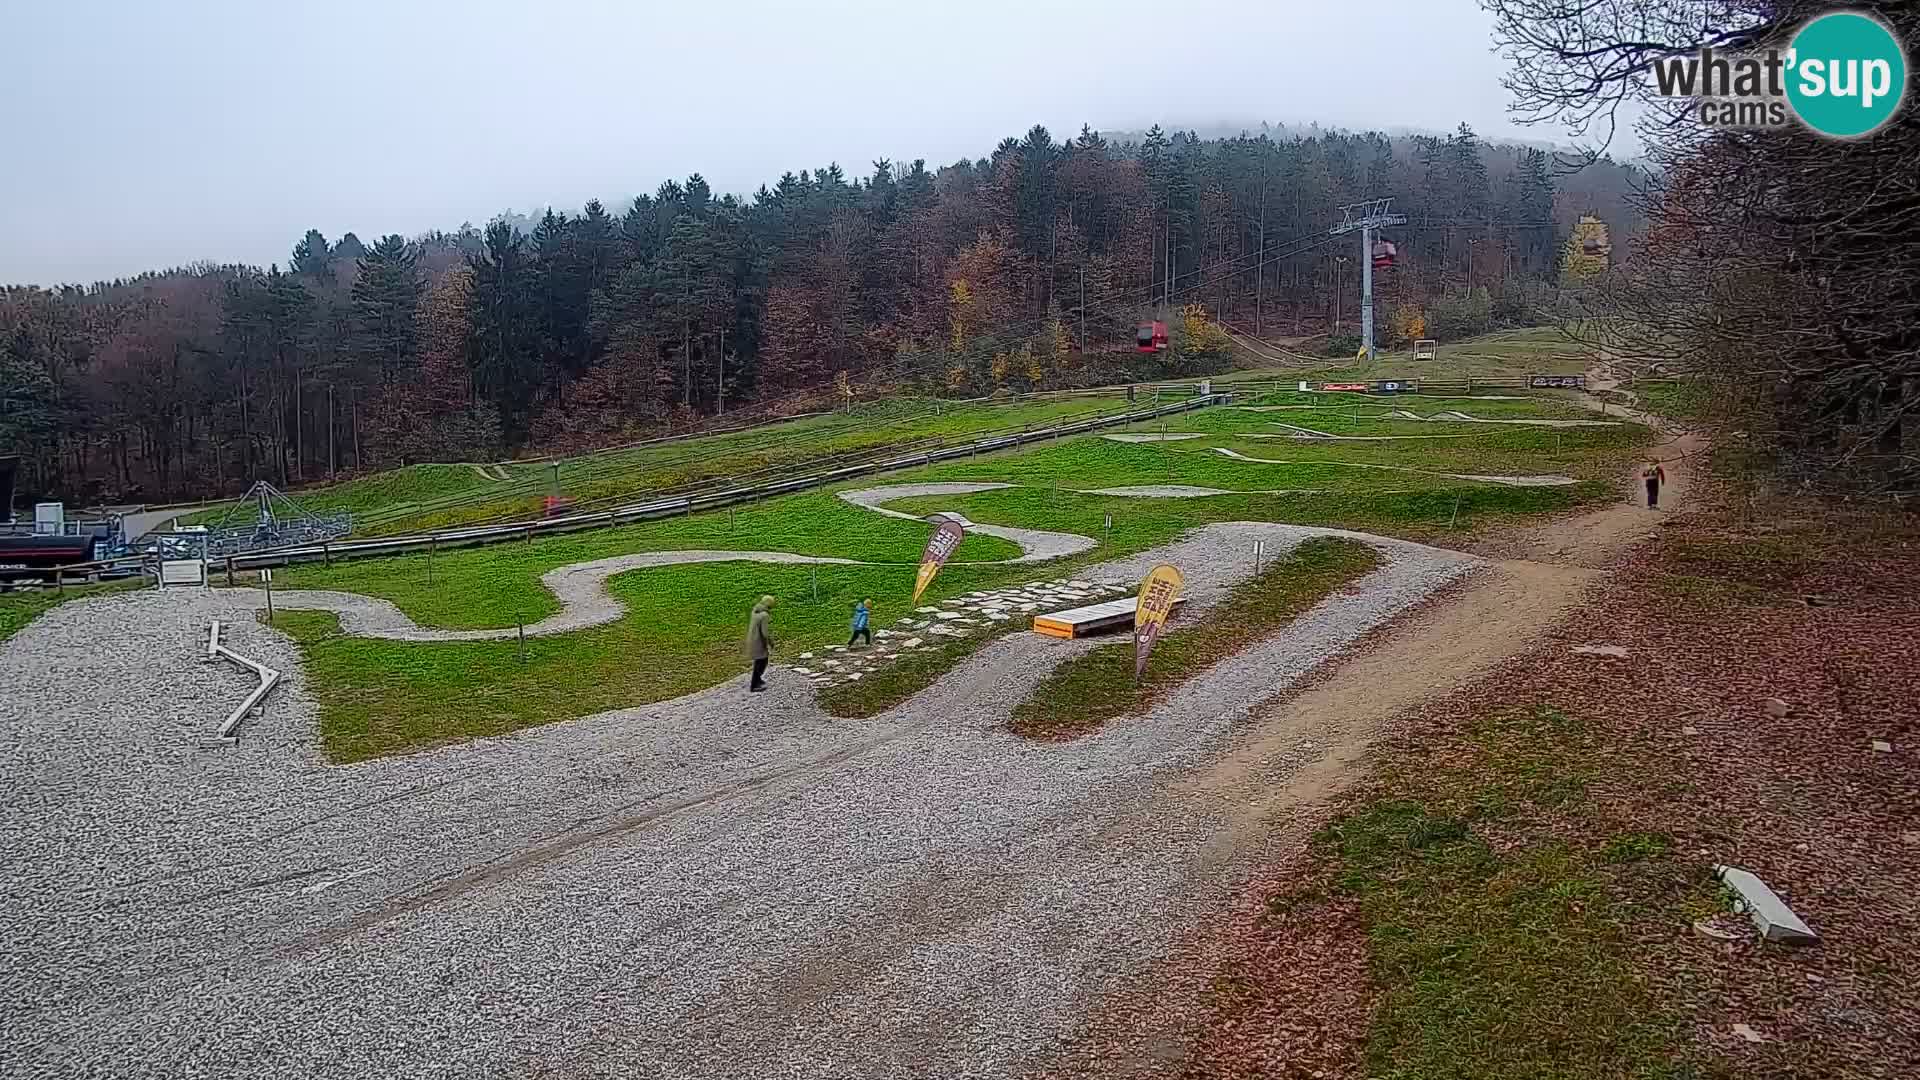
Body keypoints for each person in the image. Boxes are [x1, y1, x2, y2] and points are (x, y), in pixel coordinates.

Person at [746, 595, 776, 692]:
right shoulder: (764, 615)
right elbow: (765, 632)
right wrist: (770, 643)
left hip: (752, 639)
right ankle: (755, 684)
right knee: (762, 662)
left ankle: (758, 680)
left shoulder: (755, 611)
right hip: (759, 641)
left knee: (759, 661)